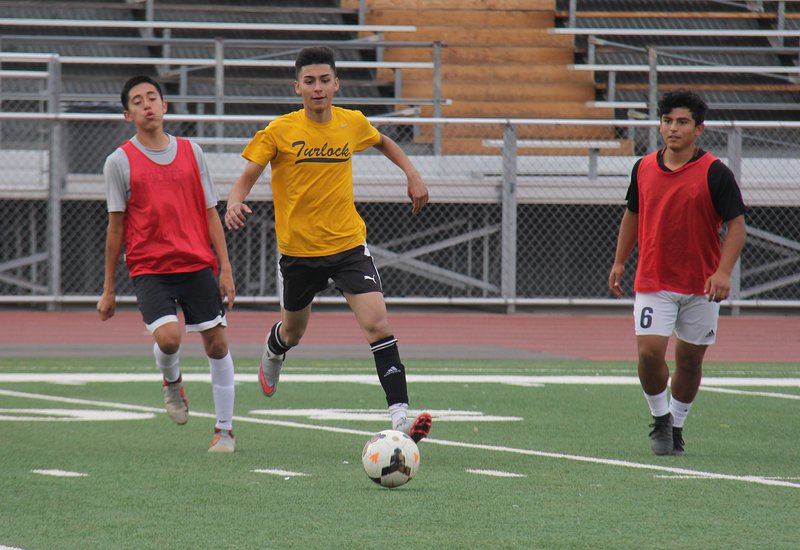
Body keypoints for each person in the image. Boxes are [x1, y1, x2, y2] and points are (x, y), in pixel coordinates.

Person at [225, 46, 432, 443]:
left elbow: (384, 142)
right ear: (297, 87)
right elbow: (248, 174)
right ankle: (274, 348)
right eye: (309, 81)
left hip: (349, 246)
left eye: (324, 80)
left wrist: (413, 175)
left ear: (336, 84)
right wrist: (235, 201)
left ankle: (400, 415)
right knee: (294, 332)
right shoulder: (279, 131)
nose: (317, 88)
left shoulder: (351, 123)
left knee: (378, 324)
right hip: (299, 253)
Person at [97, 75, 238, 453]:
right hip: (150, 268)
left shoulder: (193, 152)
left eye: (153, 98)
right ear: (128, 114)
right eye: (138, 101)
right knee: (169, 337)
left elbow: (212, 213)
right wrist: (109, 289)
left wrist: (224, 268)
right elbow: (115, 229)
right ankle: (172, 380)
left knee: (218, 346)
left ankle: (224, 432)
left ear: (165, 106)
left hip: (196, 264)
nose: (147, 105)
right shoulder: (118, 162)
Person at [608, 89, 746, 456]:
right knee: (650, 353)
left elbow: (737, 226)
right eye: (667, 120)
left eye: (682, 121)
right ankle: (660, 420)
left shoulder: (716, 173)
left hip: (702, 286)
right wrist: (620, 261)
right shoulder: (643, 168)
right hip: (654, 280)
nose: (672, 128)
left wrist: (723, 272)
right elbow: (632, 214)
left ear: (699, 128)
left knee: (689, 359)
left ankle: (678, 424)